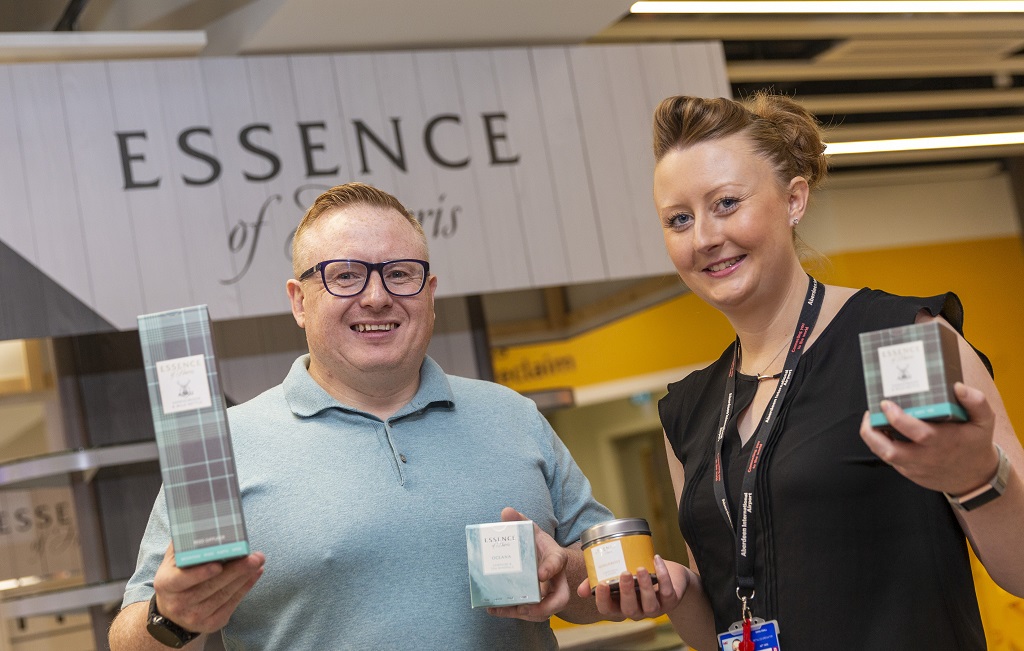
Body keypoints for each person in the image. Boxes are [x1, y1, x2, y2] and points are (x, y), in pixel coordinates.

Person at [579, 93, 1024, 650]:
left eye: (726, 203)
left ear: (794, 199)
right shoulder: (690, 409)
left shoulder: (900, 340)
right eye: (679, 219)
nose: (704, 238)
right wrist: (674, 592)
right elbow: (719, 624)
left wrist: (977, 475)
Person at [109, 182, 613, 650]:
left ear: (430, 292)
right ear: (299, 301)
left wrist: (563, 574)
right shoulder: (224, 447)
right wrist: (168, 617)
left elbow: (609, 574)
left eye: (399, 274)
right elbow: (127, 638)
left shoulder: (513, 416)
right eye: (345, 276)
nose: (376, 297)